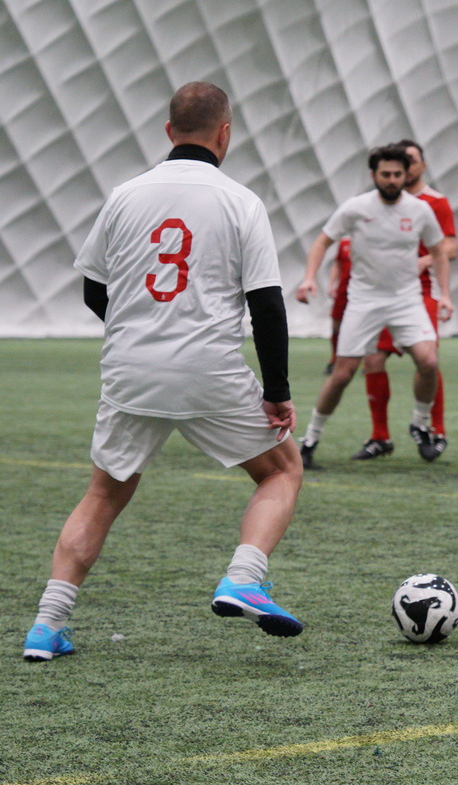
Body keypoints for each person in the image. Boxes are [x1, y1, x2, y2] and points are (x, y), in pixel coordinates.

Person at [23, 82, 305, 662]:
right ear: (225, 133)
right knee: (281, 471)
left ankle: (46, 627)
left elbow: (93, 288)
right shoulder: (240, 201)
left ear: (169, 130)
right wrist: (276, 391)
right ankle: (243, 578)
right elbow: (267, 305)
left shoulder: (124, 196)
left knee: (104, 493)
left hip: (131, 369)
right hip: (208, 369)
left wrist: (138, 334)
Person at [294, 144, 450, 468]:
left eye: (397, 174)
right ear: (374, 175)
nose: (392, 180)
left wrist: (445, 294)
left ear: (406, 175)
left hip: (406, 300)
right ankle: (309, 440)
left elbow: (439, 250)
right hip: (364, 301)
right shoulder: (356, 207)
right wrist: (309, 277)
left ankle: (420, 424)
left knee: (429, 360)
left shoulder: (420, 209)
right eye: (385, 174)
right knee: (343, 373)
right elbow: (323, 240)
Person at [352, 139, 457, 462]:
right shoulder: (378, 203)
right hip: (381, 293)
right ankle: (380, 436)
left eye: (412, 160)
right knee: (372, 360)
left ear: (423, 165)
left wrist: (426, 260)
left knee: (428, 360)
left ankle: (433, 429)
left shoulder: (434, 202)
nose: (406, 167)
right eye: (402, 161)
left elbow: (451, 247)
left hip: (420, 292)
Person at [324, 237, 353, 374]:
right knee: (336, 326)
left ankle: (367, 361)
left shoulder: (371, 240)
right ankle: (334, 359)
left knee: (367, 326)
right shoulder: (344, 243)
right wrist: (331, 285)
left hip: (362, 292)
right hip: (343, 290)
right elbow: (337, 263)